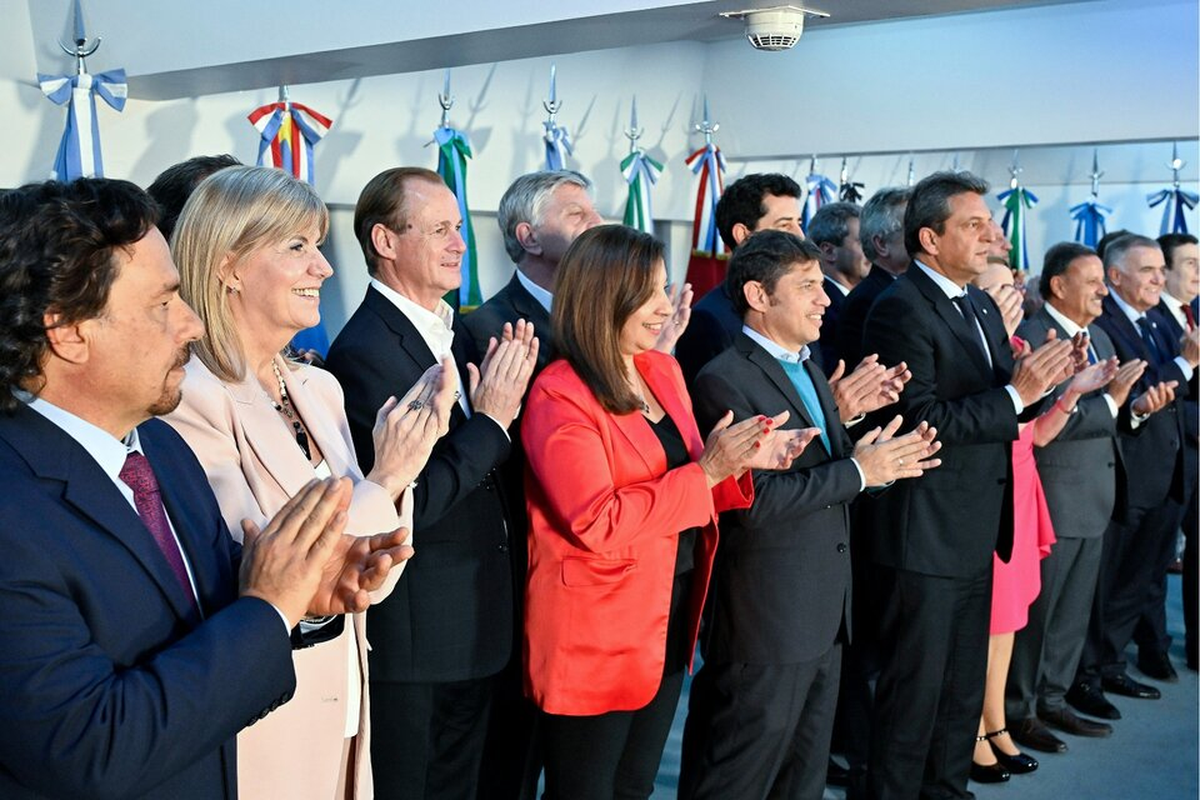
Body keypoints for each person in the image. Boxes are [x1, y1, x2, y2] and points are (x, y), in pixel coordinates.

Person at [0, 177, 410, 798]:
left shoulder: (159, 448)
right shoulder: (10, 509)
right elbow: (91, 748)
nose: (191, 323)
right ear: (67, 331)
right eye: (163, 304)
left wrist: (302, 598)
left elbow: (214, 618)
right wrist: (268, 607)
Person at [162, 165, 454, 799]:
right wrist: (390, 474)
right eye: (297, 247)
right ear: (227, 264)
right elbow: (263, 567)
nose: (323, 268)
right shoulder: (187, 398)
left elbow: (373, 570)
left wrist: (389, 489)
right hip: (264, 717)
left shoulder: (319, 389)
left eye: (318, 246)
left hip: (345, 698)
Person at [521, 224, 812, 799]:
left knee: (635, 784)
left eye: (662, 286)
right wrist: (707, 471)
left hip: (668, 611)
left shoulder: (662, 369)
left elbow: (694, 479)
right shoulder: (559, 392)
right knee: (585, 789)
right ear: (605, 297)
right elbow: (596, 520)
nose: (665, 305)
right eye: (649, 292)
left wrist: (747, 461)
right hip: (596, 630)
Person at [679, 231, 941, 800]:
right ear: (759, 294)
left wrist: (879, 461)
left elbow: (820, 467)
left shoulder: (811, 364)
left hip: (823, 610)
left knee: (802, 778)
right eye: (806, 288)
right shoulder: (724, 378)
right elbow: (754, 501)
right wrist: (859, 472)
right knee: (737, 775)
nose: (825, 299)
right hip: (766, 616)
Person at [324, 167, 538, 800]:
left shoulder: (455, 330)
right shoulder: (364, 351)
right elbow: (406, 504)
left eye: (460, 228)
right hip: (417, 643)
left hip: (474, 625)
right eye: (441, 229)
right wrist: (494, 421)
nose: (460, 244)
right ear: (386, 242)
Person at [860, 171, 1074, 799]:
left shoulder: (979, 302)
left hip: (978, 523)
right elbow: (918, 418)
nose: (992, 236)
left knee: (959, 690)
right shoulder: (898, 307)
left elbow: (1000, 403)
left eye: (989, 223)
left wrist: (1039, 390)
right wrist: (1017, 394)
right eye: (973, 225)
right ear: (929, 237)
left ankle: (948, 790)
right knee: (913, 693)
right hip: (921, 532)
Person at [968, 259, 1125, 783]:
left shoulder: (1018, 352)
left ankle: (996, 726)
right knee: (986, 623)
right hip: (986, 496)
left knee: (1009, 621)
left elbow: (1035, 435)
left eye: (1014, 287)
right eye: (998, 290)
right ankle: (973, 731)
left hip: (1022, 487)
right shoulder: (977, 354)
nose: (1013, 296)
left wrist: (1076, 388)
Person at [1006, 243, 1148, 755]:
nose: (1103, 291)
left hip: (1095, 495)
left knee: (1071, 614)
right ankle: (1019, 709)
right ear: (1057, 285)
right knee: (1039, 615)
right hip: (1054, 497)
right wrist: (1110, 404)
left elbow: (1109, 416)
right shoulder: (1032, 337)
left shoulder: (1102, 334)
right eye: (1092, 281)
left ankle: (1053, 696)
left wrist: (1129, 408)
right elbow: (1042, 424)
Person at [1070, 233, 1197, 720]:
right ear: (1115, 276)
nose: (1159, 279)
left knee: (1139, 580)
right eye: (1148, 270)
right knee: (1109, 583)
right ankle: (1089, 674)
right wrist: (1187, 361)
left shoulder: (1159, 320)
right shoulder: (1106, 325)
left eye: (1161, 271)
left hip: (1166, 472)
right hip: (1128, 474)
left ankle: (1109, 662)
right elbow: (1141, 391)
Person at [836, 187, 911, 367]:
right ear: (882, 244)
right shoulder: (867, 300)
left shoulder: (911, 290)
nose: (925, 236)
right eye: (912, 228)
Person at [807, 201, 869, 373]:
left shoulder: (867, 299)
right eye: (863, 242)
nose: (872, 250)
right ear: (828, 251)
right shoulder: (819, 308)